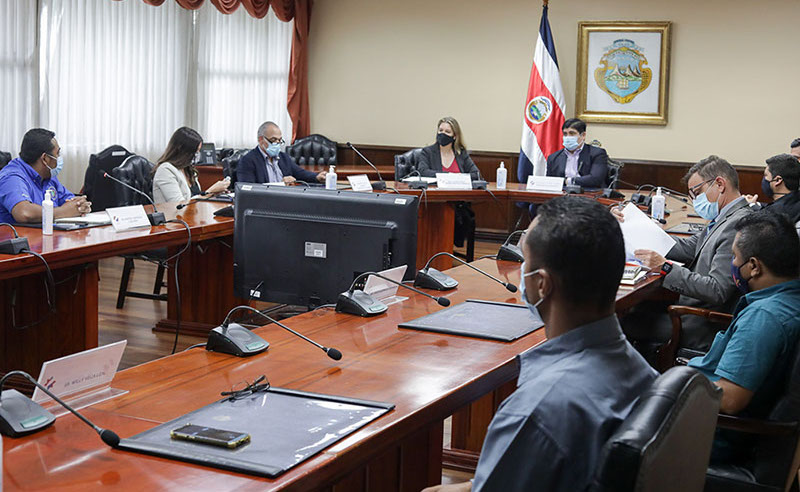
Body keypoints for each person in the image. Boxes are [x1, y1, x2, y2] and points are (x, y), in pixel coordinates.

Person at [423, 196, 657, 492]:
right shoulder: (643, 372)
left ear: (542, 284)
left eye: (524, 262)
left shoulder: (537, 411)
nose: (521, 273)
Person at [688, 211, 800, 462]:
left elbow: (729, 399)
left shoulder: (764, 318)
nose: (733, 265)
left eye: (735, 258)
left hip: (716, 436)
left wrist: (672, 389)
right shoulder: (787, 300)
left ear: (754, 266)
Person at [617, 155, 752, 360]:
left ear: (720, 184)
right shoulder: (726, 217)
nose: (695, 201)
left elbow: (717, 290)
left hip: (701, 325)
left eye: (697, 193)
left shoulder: (736, 224)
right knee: (636, 309)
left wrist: (666, 268)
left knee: (621, 323)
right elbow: (689, 248)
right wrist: (639, 227)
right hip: (689, 310)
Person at [0, 128, 91, 224]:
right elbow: (24, 213)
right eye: (57, 154)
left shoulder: (48, 176)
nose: (59, 158)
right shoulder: (11, 178)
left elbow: (70, 202)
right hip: (21, 237)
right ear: (45, 159)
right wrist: (63, 212)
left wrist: (80, 205)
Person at [152, 127, 230, 204]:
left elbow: (195, 198)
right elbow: (179, 206)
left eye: (198, 152)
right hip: (172, 216)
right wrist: (209, 192)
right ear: (183, 150)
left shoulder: (188, 169)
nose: (197, 155)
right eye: (195, 152)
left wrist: (214, 193)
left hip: (193, 215)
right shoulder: (165, 170)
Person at [236, 121, 326, 185]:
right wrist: (280, 184)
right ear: (260, 140)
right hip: (263, 205)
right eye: (273, 140)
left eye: (279, 140)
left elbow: (300, 173)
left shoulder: (283, 157)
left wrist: (317, 176)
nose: (277, 144)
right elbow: (247, 189)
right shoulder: (247, 161)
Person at [544, 118, 608, 188]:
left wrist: (568, 181)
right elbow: (549, 182)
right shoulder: (553, 158)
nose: (568, 137)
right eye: (565, 134)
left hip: (588, 194)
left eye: (572, 133)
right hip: (562, 196)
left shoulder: (597, 153)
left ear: (583, 135)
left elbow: (595, 179)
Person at [744, 153, 800, 224]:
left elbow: (772, 212)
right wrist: (756, 204)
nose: (764, 179)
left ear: (777, 180)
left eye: (766, 175)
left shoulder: (773, 214)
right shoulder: (795, 200)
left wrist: (751, 206)